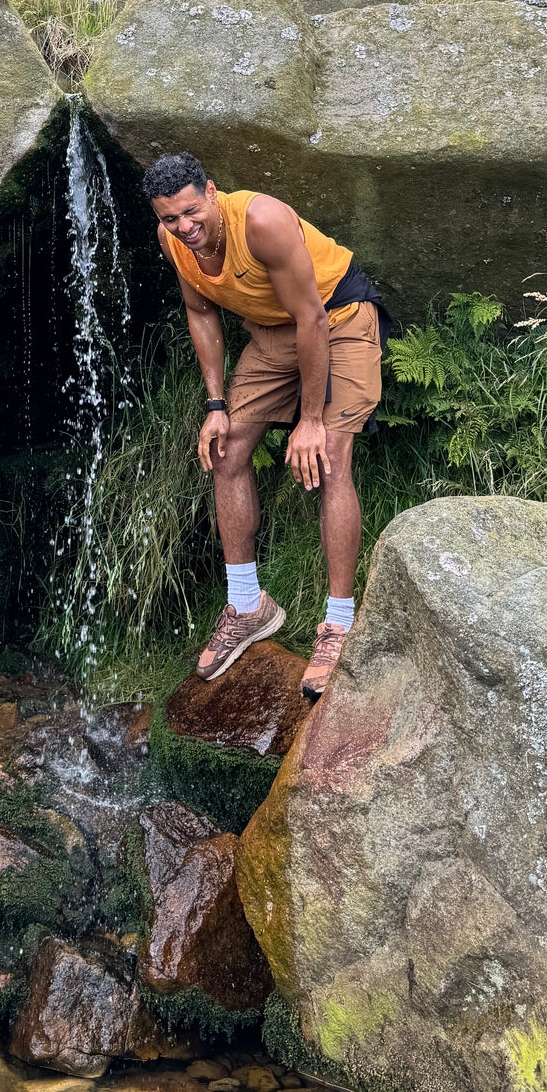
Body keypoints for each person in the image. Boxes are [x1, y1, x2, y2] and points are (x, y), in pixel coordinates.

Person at [143, 151, 388, 700]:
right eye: (169, 219)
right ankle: (249, 604)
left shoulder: (262, 221)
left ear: (210, 190)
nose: (185, 227)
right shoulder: (175, 244)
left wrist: (311, 420)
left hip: (338, 321)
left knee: (329, 458)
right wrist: (214, 405)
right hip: (275, 334)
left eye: (190, 212)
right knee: (226, 453)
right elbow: (202, 312)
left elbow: (313, 319)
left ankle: (339, 623)